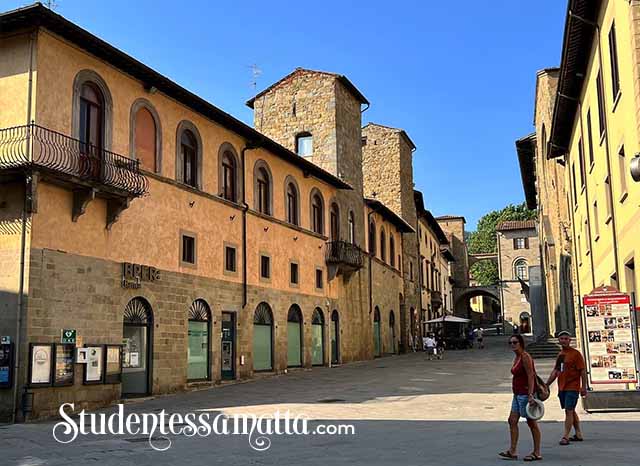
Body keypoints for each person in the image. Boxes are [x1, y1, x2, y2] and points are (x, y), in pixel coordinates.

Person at [499, 334, 542, 461]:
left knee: (531, 422)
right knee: (512, 420)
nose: (512, 345)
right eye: (510, 343)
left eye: (515, 342)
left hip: (525, 394)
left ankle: (537, 452)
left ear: (521, 343)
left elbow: (530, 375)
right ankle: (512, 451)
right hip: (517, 394)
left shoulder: (525, 357)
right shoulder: (517, 357)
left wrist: (530, 395)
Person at [545, 330, 588, 445]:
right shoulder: (560, 355)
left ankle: (565, 436)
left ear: (569, 340)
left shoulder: (576, 354)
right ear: (559, 340)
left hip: (572, 387)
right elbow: (556, 371)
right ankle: (578, 433)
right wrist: (546, 385)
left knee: (569, 411)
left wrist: (583, 387)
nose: (563, 341)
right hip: (562, 387)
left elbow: (582, 371)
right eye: (561, 339)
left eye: (566, 338)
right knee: (571, 410)